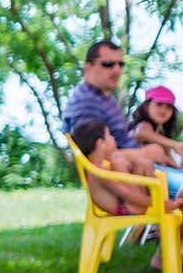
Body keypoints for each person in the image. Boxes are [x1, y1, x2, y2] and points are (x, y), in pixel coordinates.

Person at [71, 120, 181, 271]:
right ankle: (168, 252)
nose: (113, 139)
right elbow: (128, 194)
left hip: (129, 204)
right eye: (109, 136)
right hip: (129, 207)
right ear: (100, 143)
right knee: (125, 160)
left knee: (140, 162)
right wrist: (158, 204)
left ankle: (166, 254)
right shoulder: (99, 172)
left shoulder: (99, 167)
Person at [61, 40, 168, 173]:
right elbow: (92, 158)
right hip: (129, 175)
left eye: (120, 64)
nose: (117, 70)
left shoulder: (104, 97)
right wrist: (144, 153)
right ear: (88, 68)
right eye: (108, 64)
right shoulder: (86, 102)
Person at [128, 85, 182, 163]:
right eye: (159, 104)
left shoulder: (160, 135)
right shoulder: (144, 124)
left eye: (169, 107)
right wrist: (174, 144)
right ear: (146, 106)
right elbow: (141, 133)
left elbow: (170, 159)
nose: (163, 110)